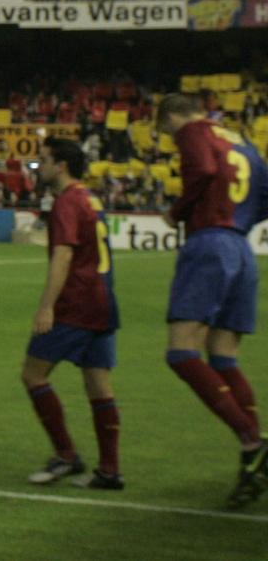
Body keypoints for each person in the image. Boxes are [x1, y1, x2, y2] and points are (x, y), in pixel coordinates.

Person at [154, 94, 267, 507]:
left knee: (182, 353)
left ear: (171, 116)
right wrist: (236, 222)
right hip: (241, 247)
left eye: (167, 130)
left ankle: (252, 441)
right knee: (223, 357)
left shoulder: (193, 132)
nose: (171, 137)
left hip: (209, 244)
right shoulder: (240, 141)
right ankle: (252, 465)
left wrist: (178, 211)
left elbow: (200, 170)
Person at [21, 137, 123, 490]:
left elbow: (63, 257)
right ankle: (110, 470)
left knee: (33, 374)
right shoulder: (91, 198)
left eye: (44, 159)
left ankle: (66, 455)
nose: (40, 166)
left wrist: (47, 306)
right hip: (102, 302)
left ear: (61, 165)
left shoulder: (67, 202)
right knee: (98, 385)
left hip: (75, 305)